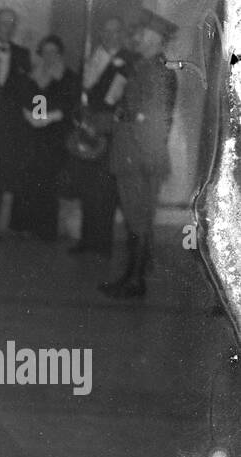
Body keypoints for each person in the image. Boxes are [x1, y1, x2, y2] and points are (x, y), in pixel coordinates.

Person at [100, 10, 177, 299]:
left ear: (155, 39)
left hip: (142, 157)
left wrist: (117, 116)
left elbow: (154, 117)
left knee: (139, 219)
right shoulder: (142, 66)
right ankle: (133, 275)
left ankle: (135, 280)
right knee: (136, 219)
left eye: (142, 34)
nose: (136, 38)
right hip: (132, 154)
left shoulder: (160, 71)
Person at [70, 16, 133, 257]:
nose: (110, 36)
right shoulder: (92, 57)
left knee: (106, 190)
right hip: (87, 128)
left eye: (115, 31)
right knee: (87, 186)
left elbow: (121, 100)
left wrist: (104, 123)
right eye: (106, 31)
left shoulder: (128, 60)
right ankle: (86, 240)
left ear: (122, 34)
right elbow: (82, 91)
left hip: (109, 132)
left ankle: (102, 244)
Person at [7, 35, 78, 241]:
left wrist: (49, 118)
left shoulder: (68, 77)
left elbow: (70, 105)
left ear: (59, 53)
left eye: (53, 51)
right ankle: (23, 226)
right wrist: (30, 115)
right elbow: (28, 99)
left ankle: (45, 230)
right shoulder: (34, 75)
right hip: (33, 135)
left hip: (55, 137)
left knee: (48, 183)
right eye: (45, 51)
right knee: (29, 180)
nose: (49, 55)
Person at [0, 7, 31, 240]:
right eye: (3, 23)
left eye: (12, 24)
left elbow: (30, 92)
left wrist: (40, 114)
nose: (8, 28)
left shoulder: (22, 55)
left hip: (7, 127)